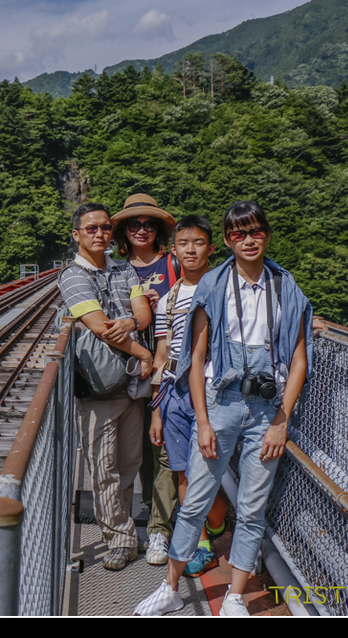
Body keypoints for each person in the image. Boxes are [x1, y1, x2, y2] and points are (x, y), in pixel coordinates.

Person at [135, 201, 313, 616]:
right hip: (220, 402)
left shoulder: (286, 287)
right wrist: (202, 420)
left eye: (255, 232)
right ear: (228, 240)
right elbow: (196, 359)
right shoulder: (213, 286)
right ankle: (171, 587)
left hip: (268, 409)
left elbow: (299, 359)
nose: (248, 241)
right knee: (195, 500)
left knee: (252, 506)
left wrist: (281, 421)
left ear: (267, 235)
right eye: (238, 234)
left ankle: (234, 595)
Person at [59, 203, 153, 570]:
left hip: (129, 383)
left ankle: (125, 533)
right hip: (99, 386)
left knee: (129, 461)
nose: (100, 234)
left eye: (105, 228)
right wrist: (145, 353)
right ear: (77, 235)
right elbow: (99, 326)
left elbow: (142, 313)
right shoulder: (72, 275)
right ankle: (118, 539)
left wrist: (129, 323)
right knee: (103, 466)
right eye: (91, 229)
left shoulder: (124, 267)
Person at [145, 216, 229, 573]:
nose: (190, 250)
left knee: (206, 474)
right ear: (174, 250)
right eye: (183, 244)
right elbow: (162, 355)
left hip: (213, 390)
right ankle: (201, 543)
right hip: (174, 392)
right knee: (182, 474)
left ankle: (217, 523)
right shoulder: (168, 300)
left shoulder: (226, 287)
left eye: (198, 243)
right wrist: (156, 409)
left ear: (211, 248)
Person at [110, 194, 180, 551]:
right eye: (133, 225)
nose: (141, 230)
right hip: (127, 370)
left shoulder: (174, 264)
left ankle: (159, 529)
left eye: (148, 224)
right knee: (133, 451)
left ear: (158, 230)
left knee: (162, 447)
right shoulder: (114, 268)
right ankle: (139, 521)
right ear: (123, 230)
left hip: (167, 368)